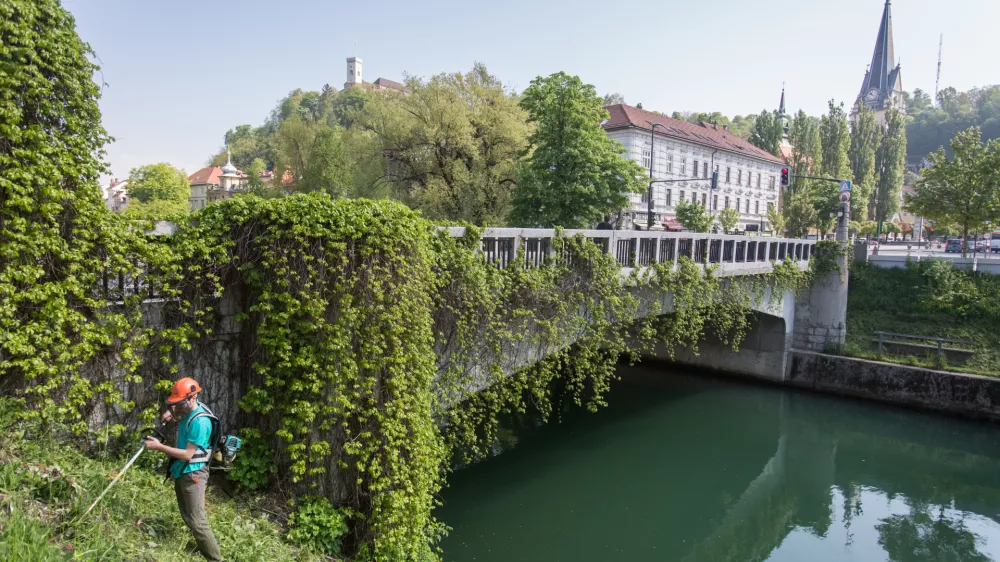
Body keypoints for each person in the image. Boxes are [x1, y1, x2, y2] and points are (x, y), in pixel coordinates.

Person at [144, 378, 223, 562]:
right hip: (183, 471)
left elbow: (188, 454)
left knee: (197, 521)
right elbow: (182, 412)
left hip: (193, 473)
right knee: (188, 515)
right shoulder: (191, 409)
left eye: (179, 403)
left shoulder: (200, 423)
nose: (176, 407)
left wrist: (159, 447)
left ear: (192, 397)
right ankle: (202, 544)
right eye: (175, 403)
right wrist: (171, 412)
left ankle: (216, 559)